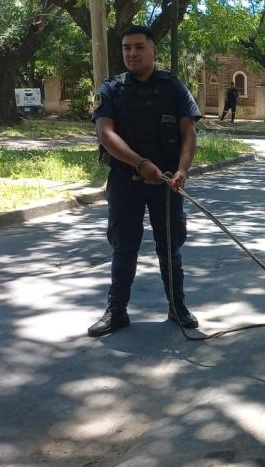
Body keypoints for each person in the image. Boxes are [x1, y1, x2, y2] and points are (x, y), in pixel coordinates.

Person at [88, 24, 202, 336]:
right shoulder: (110, 89)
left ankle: (177, 307)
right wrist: (138, 163)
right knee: (124, 247)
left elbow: (189, 133)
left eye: (139, 47)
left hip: (167, 182)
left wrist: (182, 170)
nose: (132, 53)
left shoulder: (173, 88)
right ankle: (117, 310)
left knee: (170, 247)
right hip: (126, 181)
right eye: (127, 48)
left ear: (153, 50)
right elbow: (105, 133)